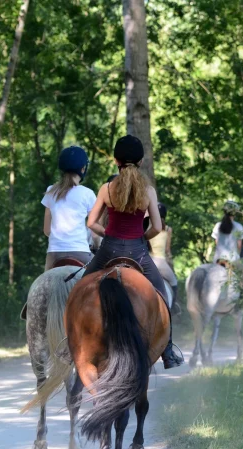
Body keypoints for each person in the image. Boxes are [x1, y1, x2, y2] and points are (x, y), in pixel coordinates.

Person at [86, 134, 184, 369]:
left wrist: (108, 233)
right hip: (138, 252)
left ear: (116, 160)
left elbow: (91, 223)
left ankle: (70, 342)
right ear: (140, 162)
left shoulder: (107, 188)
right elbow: (158, 227)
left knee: (81, 285)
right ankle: (168, 351)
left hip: (108, 250)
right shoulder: (148, 191)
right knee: (162, 296)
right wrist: (141, 237)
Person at [42, 146, 96, 270]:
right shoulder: (88, 194)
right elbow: (94, 232)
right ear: (83, 169)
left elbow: (46, 230)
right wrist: (97, 246)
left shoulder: (51, 191)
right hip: (81, 253)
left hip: (53, 254)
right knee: (103, 279)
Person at [149, 203, 179, 311]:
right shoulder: (167, 229)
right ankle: (174, 308)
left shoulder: (147, 226)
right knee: (174, 282)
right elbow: (167, 250)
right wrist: (170, 259)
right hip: (160, 262)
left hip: (147, 260)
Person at [212, 200, 243, 264]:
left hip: (218, 259)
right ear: (235, 213)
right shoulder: (239, 227)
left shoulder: (217, 225)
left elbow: (217, 242)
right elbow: (239, 245)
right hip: (232, 259)